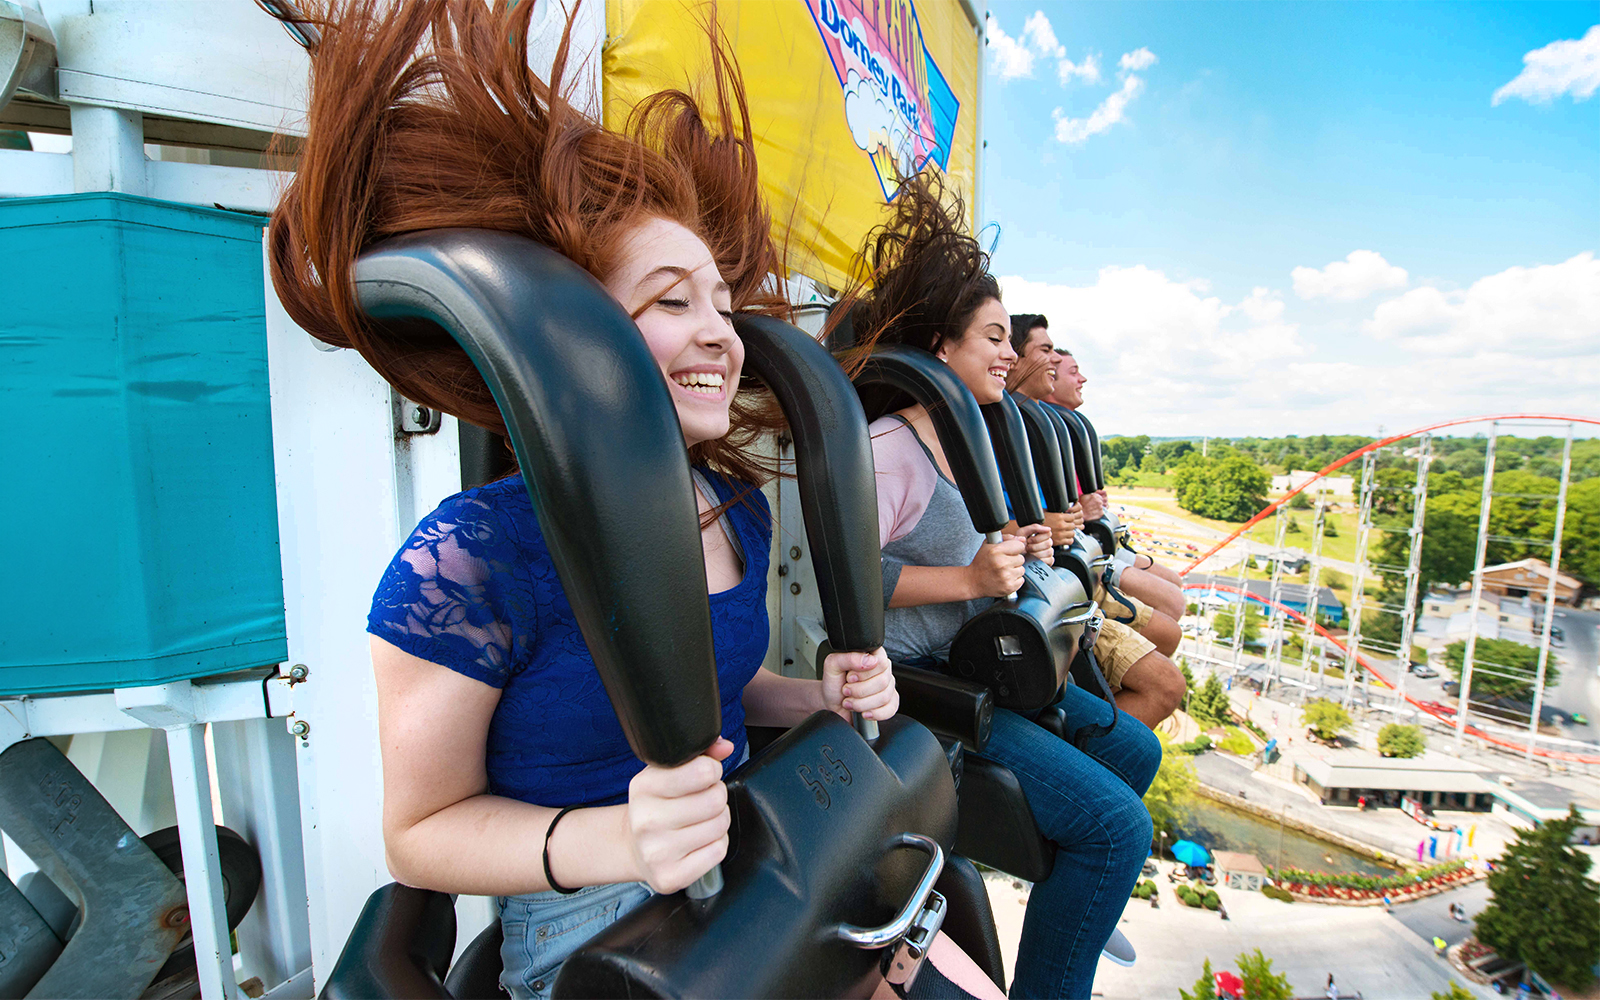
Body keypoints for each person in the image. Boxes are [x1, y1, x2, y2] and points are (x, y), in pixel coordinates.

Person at [266, 4, 1004, 998]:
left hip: (762, 872)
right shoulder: (470, 558)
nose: (722, 337)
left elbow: (722, 699)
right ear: (576, 341)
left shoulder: (731, 508)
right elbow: (421, 835)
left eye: (719, 302)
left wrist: (814, 695)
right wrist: (620, 836)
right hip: (600, 934)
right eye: (670, 301)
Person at [841, 172, 1160, 999]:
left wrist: (1014, 548)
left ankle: (1077, 899)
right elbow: (839, 583)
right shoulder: (891, 449)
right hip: (929, 692)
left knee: (1136, 746)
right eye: (992, 337)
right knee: (1118, 830)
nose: (1010, 354)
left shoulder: (964, 440)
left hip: (981, 659)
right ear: (940, 349)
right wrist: (971, 573)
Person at [1004, 316, 1184, 726]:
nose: (1059, 364)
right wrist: (1052, 523)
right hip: (1054, 586)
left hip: (1063, 579)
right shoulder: (1011, 427)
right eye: (1045, 352)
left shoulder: (1033, 426)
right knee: (1166, 662)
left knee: (1172, 613)